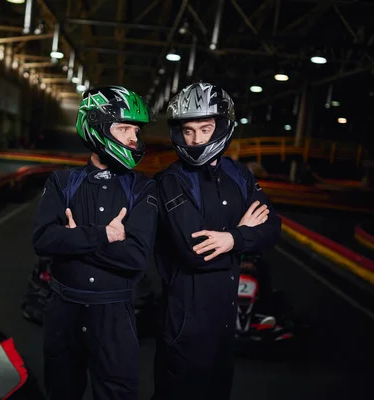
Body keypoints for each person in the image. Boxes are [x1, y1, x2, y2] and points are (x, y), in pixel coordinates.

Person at [152, 82, 282, 400]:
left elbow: (273, 228)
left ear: (221, 127)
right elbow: (197, 251)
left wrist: (231, 238)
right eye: (188, 131)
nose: (196, 140)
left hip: (226, 313)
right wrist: (243, 234)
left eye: (205, 129)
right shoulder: (170, 181)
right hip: (186, 317)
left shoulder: (239, 175)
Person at [32, 85, 159, 400]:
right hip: (64, 312)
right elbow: (44, 239)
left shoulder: (144, 189)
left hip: (113, 314)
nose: (134, 137)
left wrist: (75, 239)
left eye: (136, 130)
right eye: (124, 128)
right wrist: (103, 234)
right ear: (97, 126)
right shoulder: (62, 182)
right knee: (61, 391)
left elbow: (135, 257)